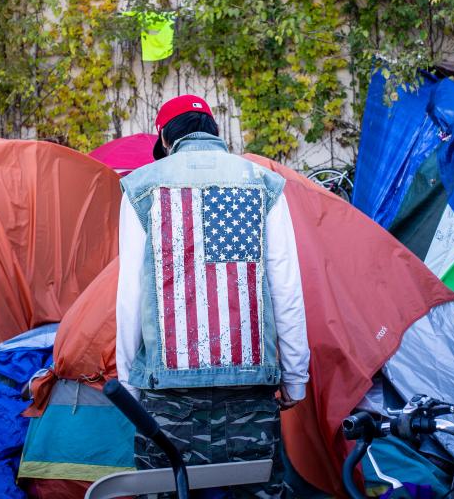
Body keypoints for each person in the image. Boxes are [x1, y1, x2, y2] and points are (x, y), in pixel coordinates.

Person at [115, 94, 310, 498]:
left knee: (166, 489)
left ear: (166, 140)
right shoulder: (265, 184)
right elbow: (287, 288)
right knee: (254, 489)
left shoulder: (141, 186)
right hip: (250, 390)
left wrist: (128, 386)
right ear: (215, 134)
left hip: (167, 395)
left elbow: (130, 297)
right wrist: (295, 376)